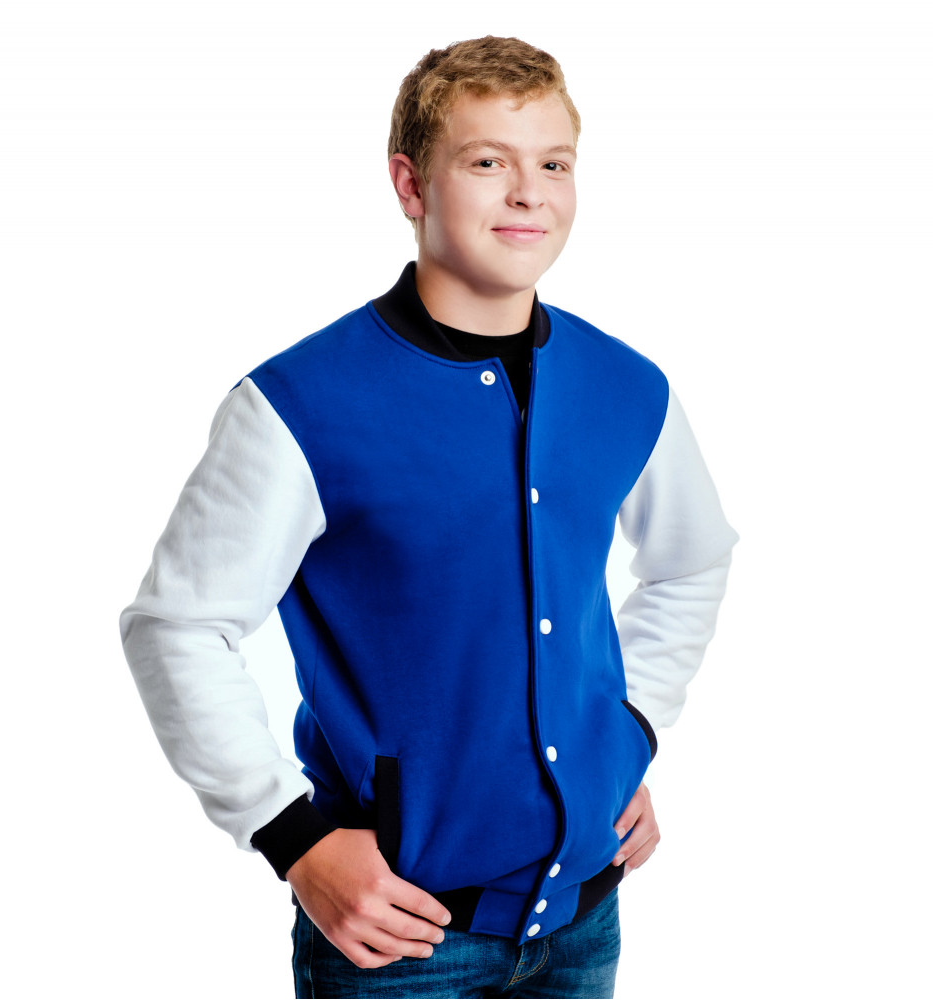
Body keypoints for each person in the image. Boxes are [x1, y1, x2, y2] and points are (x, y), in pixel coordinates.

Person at [120, 35, 738, 999]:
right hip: (398, 940)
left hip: (585, 922)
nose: (528, 193)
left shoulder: (627, 387)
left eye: (554, 164)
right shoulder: (300, 405)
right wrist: (292, 837)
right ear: (411, 185)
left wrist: (627, 734)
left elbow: (692, 561)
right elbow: (178, 625)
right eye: (488, 162)